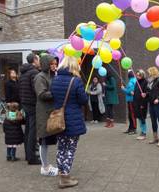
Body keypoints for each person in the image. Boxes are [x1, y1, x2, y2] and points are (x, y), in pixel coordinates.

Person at [51, 55, 88, 188]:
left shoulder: (54, 79)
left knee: (61, 147)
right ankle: (65, 178)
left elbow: (53, 96)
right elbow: (83, 100)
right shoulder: (76, 81)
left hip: (58, 120)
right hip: (72, 120)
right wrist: (85, 93)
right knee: (70, 148)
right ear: (73, 66)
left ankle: (62, 172)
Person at [34, 54, 58, 176]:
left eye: (55, 63)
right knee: (43, 140)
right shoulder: (40, 77)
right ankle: (44, 167)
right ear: (46, 65)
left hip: (51, 112)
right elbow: (42, 94)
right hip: (44, 113)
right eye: (52, 64)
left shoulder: (53, 76)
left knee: (48, 140)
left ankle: (48, 165)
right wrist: (56, 92)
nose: (54, 66)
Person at [19, 53, 41, 165]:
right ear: (34, 60)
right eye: (38, 59)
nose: (39, 61)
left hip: (25, 104)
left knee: (28, 130)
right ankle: (32, 157)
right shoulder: (34, 73)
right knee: (32, 131)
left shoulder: (23, 73)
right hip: (32, 104)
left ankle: (28, 155)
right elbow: (36, 90)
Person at [3, 69, 23, 161]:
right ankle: (10, 155)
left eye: (15, 72)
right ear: (9, 74)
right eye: (12, 72)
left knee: (16, 123)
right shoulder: (8, 83)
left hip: (18, 105)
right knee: (12, 122)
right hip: (12, 105)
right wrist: (9, 103)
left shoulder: (18, 82)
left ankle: (11, 155)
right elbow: (7, 94)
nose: (14, 74)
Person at [133, 69, 149, 140]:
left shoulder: (145, 82)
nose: (137, 76)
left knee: (142, 118)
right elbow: (136, 91)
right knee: (139, 117)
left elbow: (147, 92)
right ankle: (142, 131)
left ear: (142, 75)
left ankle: (144, 132)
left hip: (142, 103)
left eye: (139, 75)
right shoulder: (137, 82)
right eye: (137, 75)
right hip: (136, 102)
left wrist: (143, 103)